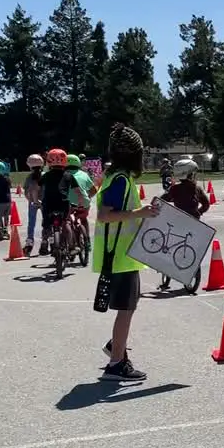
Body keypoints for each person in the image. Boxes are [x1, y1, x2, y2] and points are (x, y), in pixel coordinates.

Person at [94, 123, 158, 381]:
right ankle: (116, 363)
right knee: (126, 309)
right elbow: (104, 216)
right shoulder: (120, 179)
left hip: (123, 254)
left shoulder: (118, 177)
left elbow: (122, 212)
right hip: (119, 255)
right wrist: (140, 213)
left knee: (127, 307)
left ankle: (115, 347)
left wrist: (143, 209)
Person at [157, 157, 211, 291]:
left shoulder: (175, 189)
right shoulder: (196, 188)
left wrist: (159, 203)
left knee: (170, 246)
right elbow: (206, 204)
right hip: (194, 223)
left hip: (179, 222)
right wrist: (199, 212)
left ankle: (167, 276)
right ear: (190, 174)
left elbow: (164, 199)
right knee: (192, 245)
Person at [60, 153, 94, 257]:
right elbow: (93, 190)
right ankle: (87, 240)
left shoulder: (63, 175)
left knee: (66, 222)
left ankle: (68, 244)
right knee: (83, 219)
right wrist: (88, 197)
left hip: (67, 204)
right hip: (83, 203)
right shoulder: (84, 174)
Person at [38, 149, 69, 256]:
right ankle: (69, 245)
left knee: (46, 224)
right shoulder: (67, 175)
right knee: (65, 223)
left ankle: (44, 241)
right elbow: (78, 191)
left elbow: (38, 188)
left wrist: (36, 200)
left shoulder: (45, 175)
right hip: (63, 203)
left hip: (48, 203)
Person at [22, 154, 44, 255]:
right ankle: (47, 240)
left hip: (32, 202)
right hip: (45, 201)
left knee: (31, 223)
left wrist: (30, 200)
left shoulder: (29, 177)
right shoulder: (44, 175)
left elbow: (26, 191)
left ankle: (29, 242)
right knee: (47, 222)